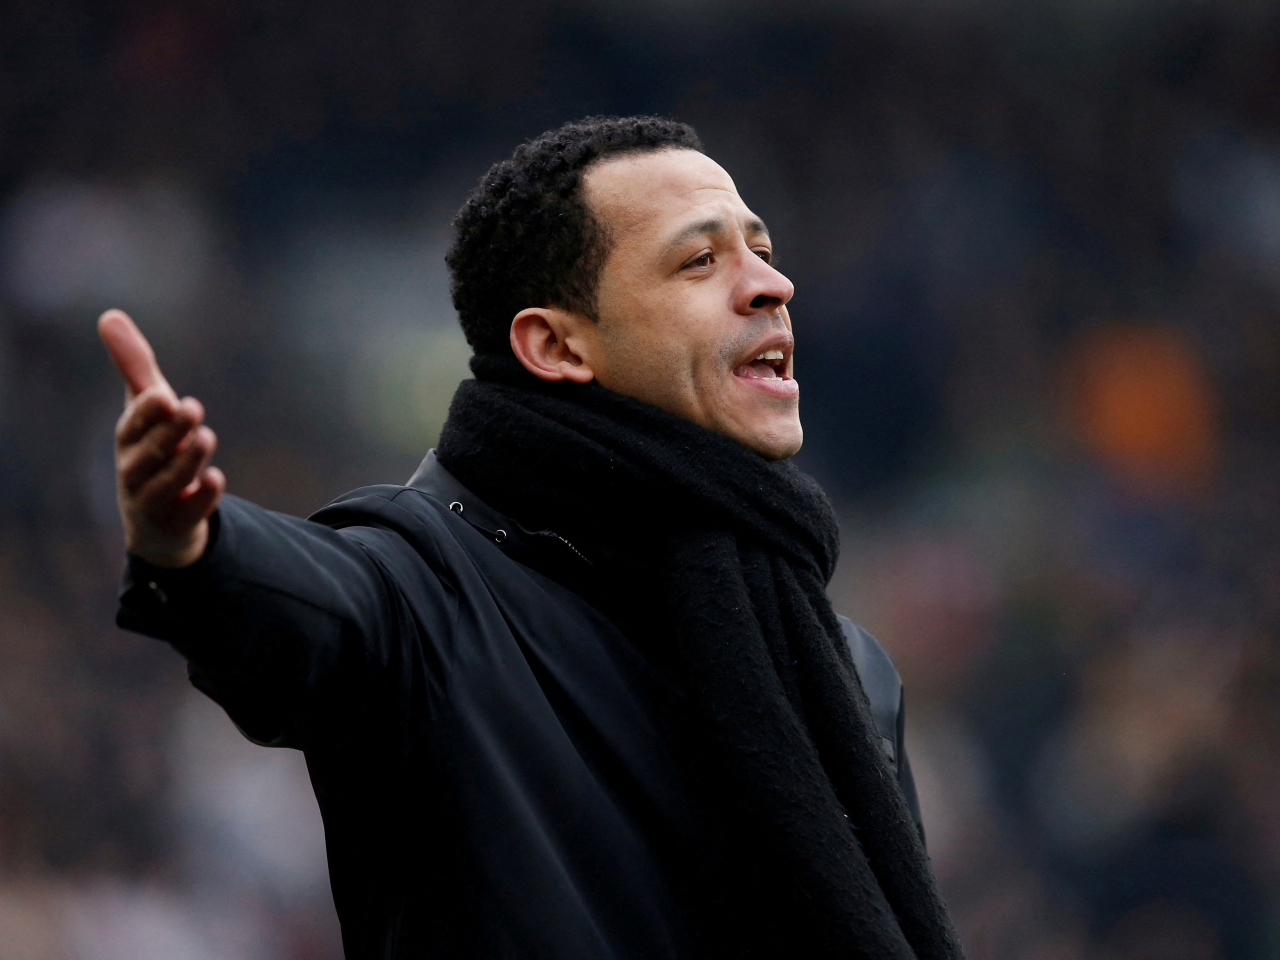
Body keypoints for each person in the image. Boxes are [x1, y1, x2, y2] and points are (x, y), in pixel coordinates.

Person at [101, 116, 962, 960]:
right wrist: (194, 545)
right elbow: (305, 606)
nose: (771, 287)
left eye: (761, 252)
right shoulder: (427, 585)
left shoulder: (844, 666)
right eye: (700, 260)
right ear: (555, 344)